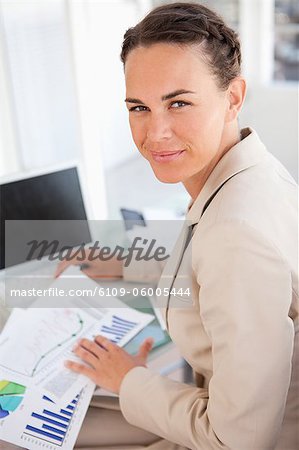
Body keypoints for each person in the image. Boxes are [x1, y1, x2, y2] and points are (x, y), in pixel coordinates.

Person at [1, 3, 297, 450]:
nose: (155, 132)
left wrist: (128, 377)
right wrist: (127, 265)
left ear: (233, 97)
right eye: (139, 106)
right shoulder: (249, 170)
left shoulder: (236, 232)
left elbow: (240, 439)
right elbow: (214, 270)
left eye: (179, 103)